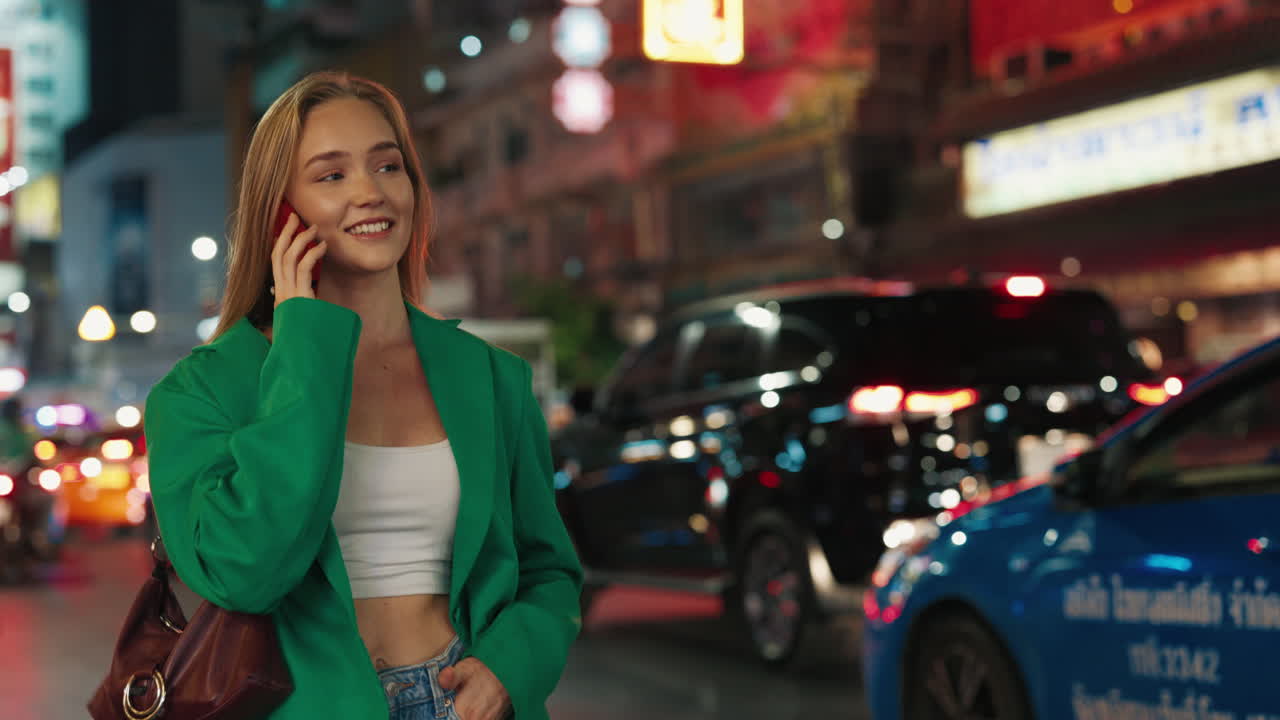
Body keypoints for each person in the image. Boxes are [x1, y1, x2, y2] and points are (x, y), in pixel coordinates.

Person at [144, 72, 583, 720]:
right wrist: (305, 350)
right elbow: (244, 571)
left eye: (388, 165)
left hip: (467, 702)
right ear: (281, 209)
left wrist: (509, 668)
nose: (371, 192)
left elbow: (551, 571)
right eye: (331, 176)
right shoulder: (199, 392)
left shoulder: (492, 377)